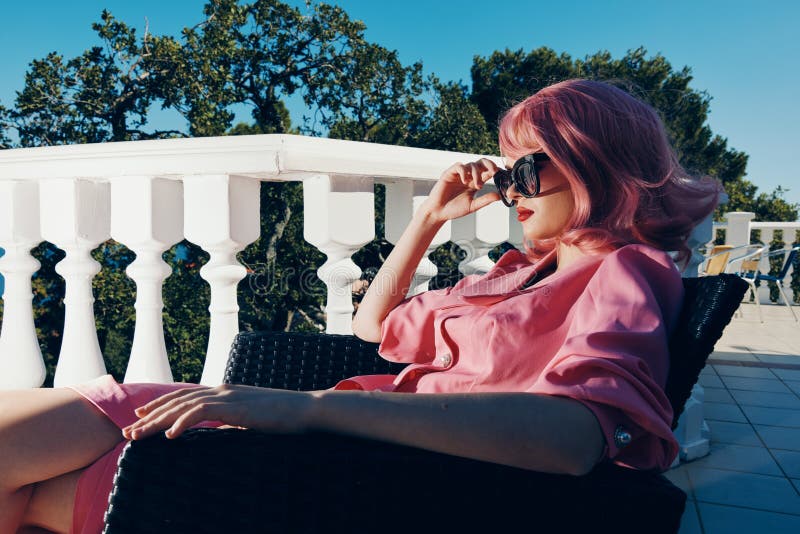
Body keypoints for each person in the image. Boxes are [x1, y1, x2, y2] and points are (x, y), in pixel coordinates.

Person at [0, 79, 720, 534]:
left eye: (527, 166)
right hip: (345, 453)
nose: (511, 188)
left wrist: (305, 407)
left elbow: (575, 436)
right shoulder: (521, 272)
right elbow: (377, 328)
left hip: (374, 473)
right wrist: (429, 220)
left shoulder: (625, 272)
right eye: (506, 172)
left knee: (27, 484)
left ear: (595, 162)